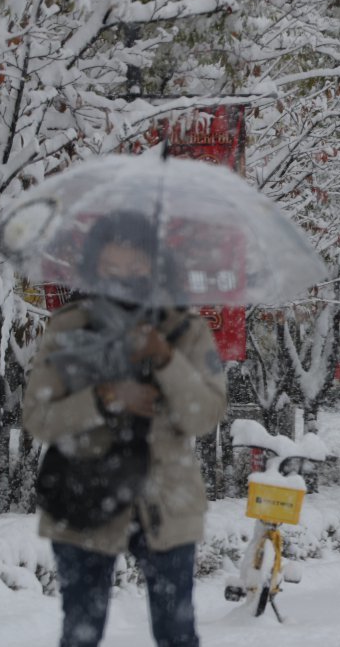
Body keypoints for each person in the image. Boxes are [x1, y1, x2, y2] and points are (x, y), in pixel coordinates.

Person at [23, 211, 227, 647]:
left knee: (177, 632)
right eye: (111, 269)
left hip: (165, 502)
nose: (124, 279)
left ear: (156, 265)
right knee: (80, 634)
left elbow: (204, 416)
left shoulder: (184, 329)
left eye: (135, 269)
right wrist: (106, 397)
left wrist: (165, 359)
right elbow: (38, 417)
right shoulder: (70, 327)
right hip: (84, 495)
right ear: (94, 266)